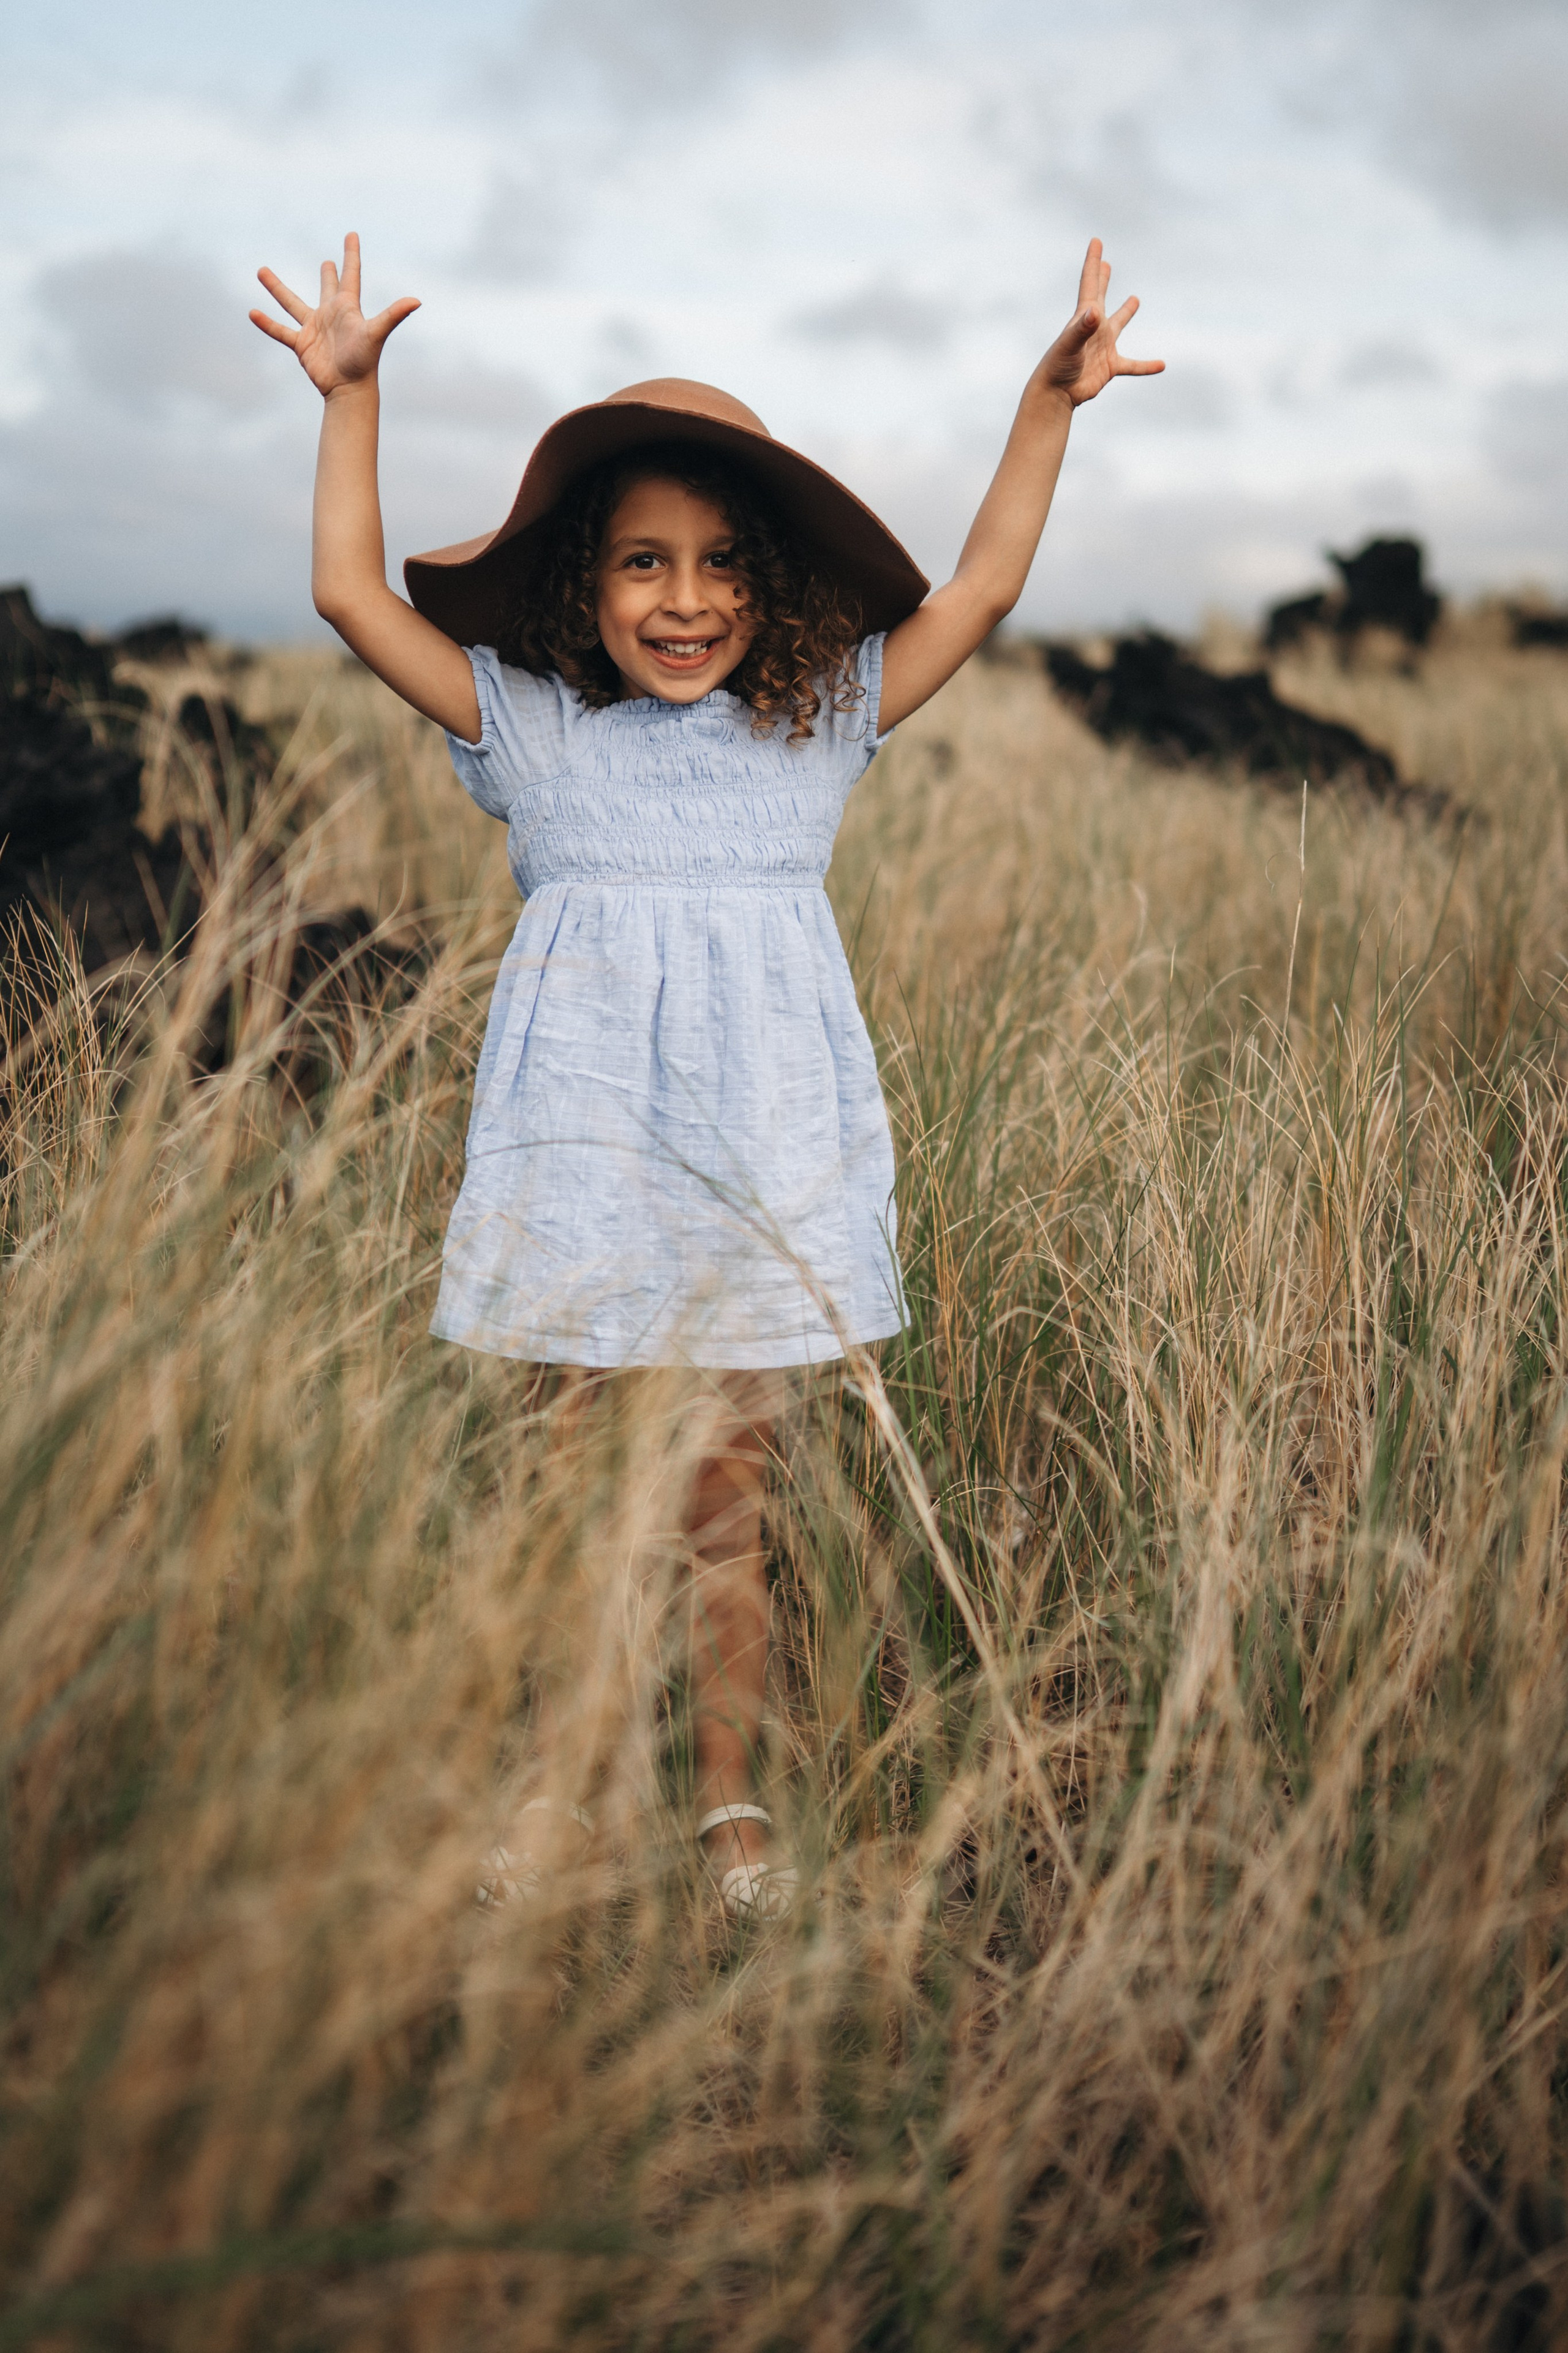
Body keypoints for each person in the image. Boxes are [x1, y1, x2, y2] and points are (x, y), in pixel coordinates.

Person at [250, 232, 1161, 1920]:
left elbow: (977, 590)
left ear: (778, 584)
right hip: (579, 1170)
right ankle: (560, 1782)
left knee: (724, 1508)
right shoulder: (528, 731)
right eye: (644, 565)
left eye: (724, 561)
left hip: (758, 1166)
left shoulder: (815, 727)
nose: (686, 600)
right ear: (579, 590)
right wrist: (351, 400)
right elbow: (349, 595)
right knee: (569, 1501)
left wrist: (1047, 411)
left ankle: (726, 1807)